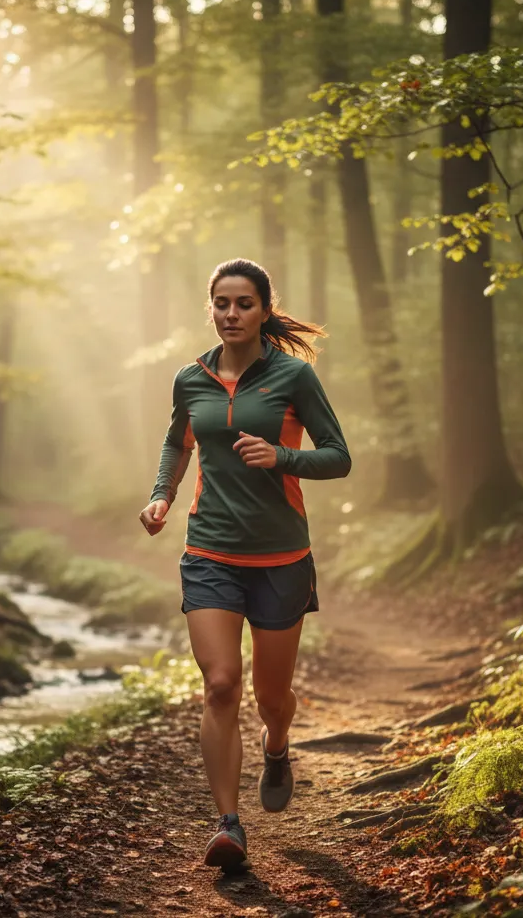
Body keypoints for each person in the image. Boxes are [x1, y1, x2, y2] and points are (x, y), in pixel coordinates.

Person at [138, 258, 352, 873]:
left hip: (282, 557)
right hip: (210, 552)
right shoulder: (191, 377)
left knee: (271, 695)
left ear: (263, 310)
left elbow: (338, 457)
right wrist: (161, 496)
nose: (232, 314)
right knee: (221, 684)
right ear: (210, 308)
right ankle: (228, 824)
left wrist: (282, 456)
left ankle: (278, 744)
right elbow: (177, 442)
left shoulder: (293, 378)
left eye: (244, 304)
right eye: (222, 304)